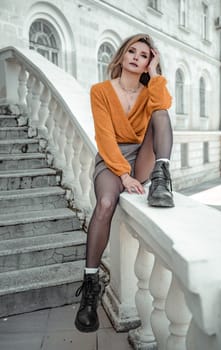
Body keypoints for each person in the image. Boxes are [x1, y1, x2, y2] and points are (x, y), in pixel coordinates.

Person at [74, 33, 174, 333]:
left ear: (147, 63)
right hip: (112, 158)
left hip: (142, 157)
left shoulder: (149, 90)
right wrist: (122, 174)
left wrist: (154, 74)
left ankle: (162, 174)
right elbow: (104, 138)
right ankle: (90, 287)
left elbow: (163, 108)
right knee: (105, 203)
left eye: (144, 55)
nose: (136, 57)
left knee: (160, 110)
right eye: (131, 51)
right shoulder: (101, 91)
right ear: (121, 56)